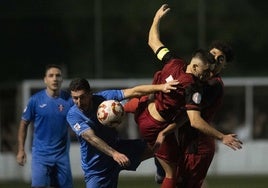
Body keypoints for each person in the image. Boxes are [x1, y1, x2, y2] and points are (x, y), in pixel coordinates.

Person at [125, 4, 242, 188]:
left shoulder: (210, 86)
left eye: (220, 60)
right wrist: (156, 19)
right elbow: (154, 42)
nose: (214, 61)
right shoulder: (182, 70)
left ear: (223, 66)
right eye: (212, 55)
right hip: (175, 135)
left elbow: (191, 119)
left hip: (195, 145)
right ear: (203, 58)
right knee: (172, 176)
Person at [66, 78, 179, 188]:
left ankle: (161, 173)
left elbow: (134, 91)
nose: (79, 102)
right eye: (75, 98)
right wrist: (114, 154)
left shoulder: (103, 98)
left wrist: (161, 87)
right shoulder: (73, 115)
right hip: (97, 167)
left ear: (90, 94)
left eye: (82, 97)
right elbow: (91, 138)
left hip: (120, 149)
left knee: (159, 145)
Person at [16, 64, 74, 188]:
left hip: (62, 156)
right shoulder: (35, 100)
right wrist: (21, 150)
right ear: (45, 79)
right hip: (41, 156)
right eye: (51, 75)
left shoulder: (69, 101)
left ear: (62, 79)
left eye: (58, 75)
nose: (55, 79)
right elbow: (24, 123)